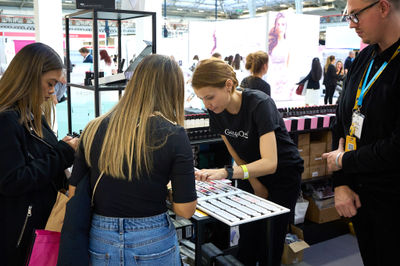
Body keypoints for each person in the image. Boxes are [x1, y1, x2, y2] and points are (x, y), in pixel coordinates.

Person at [68, 54, 197, 265]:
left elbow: (74, 193)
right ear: (173, 90)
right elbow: (185, 209)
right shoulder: (173, 134)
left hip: (101, 238)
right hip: (153, 238)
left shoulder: (93, 128)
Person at [191, 58, 303, 266]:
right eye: (202, 99)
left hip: (283, 174)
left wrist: (226, 172)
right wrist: (255, 183)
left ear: (228, 85)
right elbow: (236, 150)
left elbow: (270, 163)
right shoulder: (216, 110)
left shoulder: (259, 104)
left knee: (271, 241)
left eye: (210, 97)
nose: (207, 104)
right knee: (248, 238)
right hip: (248, 172)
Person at [322, 0, 400, 265]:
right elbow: (341, 120)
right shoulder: (364, 57)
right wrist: (341, 182)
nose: (351, 24)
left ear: (383, 7)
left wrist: (345, 161)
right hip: (361, 197)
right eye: (348, 16)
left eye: (355, 15)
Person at [0, 42, 78, 265]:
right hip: (18, 239)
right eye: (49, 83)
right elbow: (12, 180)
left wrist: (64, 148)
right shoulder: (7, 121)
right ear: (30, 77)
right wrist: (63, 153)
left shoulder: (32, 117)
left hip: (39, 230)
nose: (52, 91)